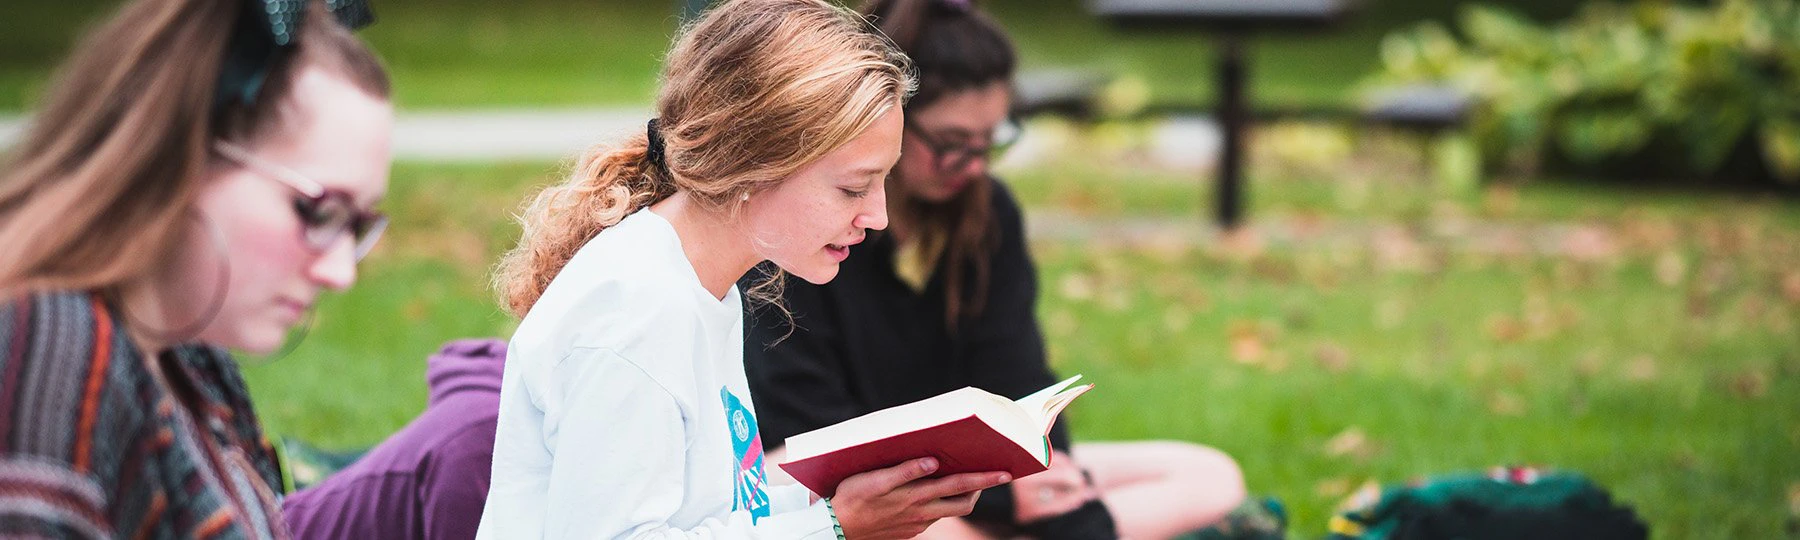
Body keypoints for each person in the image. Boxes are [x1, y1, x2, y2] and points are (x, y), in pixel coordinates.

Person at [477, 0, 1012, 538]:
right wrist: (832, 525)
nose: (877, 216)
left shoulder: (703, 288)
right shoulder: (635, 312)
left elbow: (716, 512)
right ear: (752, 163)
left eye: (882, 182)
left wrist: (845, 497)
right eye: (853, 187)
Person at [743, 1, 1252, 539]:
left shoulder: (987, 214)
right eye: (952, 144)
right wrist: (1013, 504)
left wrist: (1051, 488)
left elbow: (1021, 380)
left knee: (1207, 475)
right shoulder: (808, 228)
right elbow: (811, 438)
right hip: (849, 487)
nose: (975, 165)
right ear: (889, 122)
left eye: (992, 142)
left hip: (970, 476)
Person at [0, 0, 391, 536]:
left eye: (356, 226)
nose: (341, 271)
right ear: (188, 154)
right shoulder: (53, 344)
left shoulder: (195, 360)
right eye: (319, 211)